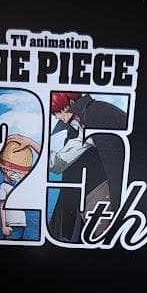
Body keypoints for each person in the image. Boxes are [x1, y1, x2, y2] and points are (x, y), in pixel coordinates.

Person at [48, 92, 128, 243]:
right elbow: (59, 164)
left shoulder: (97, 114)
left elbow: (116, 162)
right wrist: (34, 146)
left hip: (111, 194)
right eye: (54, 113)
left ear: (71, 103)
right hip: (95, 196)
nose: (58, 117)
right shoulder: (80, 123)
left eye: (59, 111)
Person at [0, 133, 41, 240]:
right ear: (4, 169)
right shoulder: (3, 187)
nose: (16, 174)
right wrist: (3, 226)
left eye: (19, 172)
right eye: (12, 170)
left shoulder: (17, 187)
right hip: (11, 225)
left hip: (21, 223)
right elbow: (2, 207)